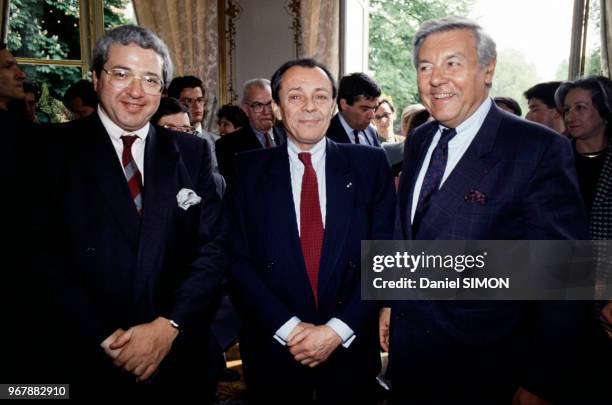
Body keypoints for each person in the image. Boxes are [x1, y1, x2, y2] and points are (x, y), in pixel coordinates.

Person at [383, 17, 591, 404]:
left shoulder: (537, 149)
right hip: (411, 358)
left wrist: (542, 381)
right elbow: (408, 232)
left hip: (488, 368)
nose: (436, 78)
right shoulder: (421, 138)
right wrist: (393, 300)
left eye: (453, 63)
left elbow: (568, 273)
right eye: (425, 67)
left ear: (488, 68)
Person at [41, 25, 226, 400]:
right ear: (95, 78)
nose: (136, 91)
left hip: (179, 356)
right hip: (86, 358)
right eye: (121, 74)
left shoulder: (191, 153)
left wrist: (167, 327)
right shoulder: (46, 152)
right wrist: (107, 337)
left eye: (150, 79)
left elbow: (213, 249)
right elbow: (37, 255)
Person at [227, 58, 395, 403]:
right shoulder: (246, 170)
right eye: (295, 97)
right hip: (274, 348)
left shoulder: (369, 164)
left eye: (320, 96)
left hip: (349, 347)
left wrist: (337, 330)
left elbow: (384, 253)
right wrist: (290, 329)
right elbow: (236, 259)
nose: (309, 107)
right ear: (275, 107)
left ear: (334, 104)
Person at [556, 77, 612, 366]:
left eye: (580, 107)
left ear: (603, 111)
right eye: (567, 109)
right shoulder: (552, 157)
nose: (571, 116)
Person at [215, 78, 285, 179]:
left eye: (270, 104)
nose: (266, 111)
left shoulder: (292, 138)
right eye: (258, 105)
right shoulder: (227, 145)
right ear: (245, 109)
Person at [326, 72, 381, 146]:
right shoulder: (324, 135)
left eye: (374, 108)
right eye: (364, 109)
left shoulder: (372, 132)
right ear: (344, 104)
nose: (372, 116)